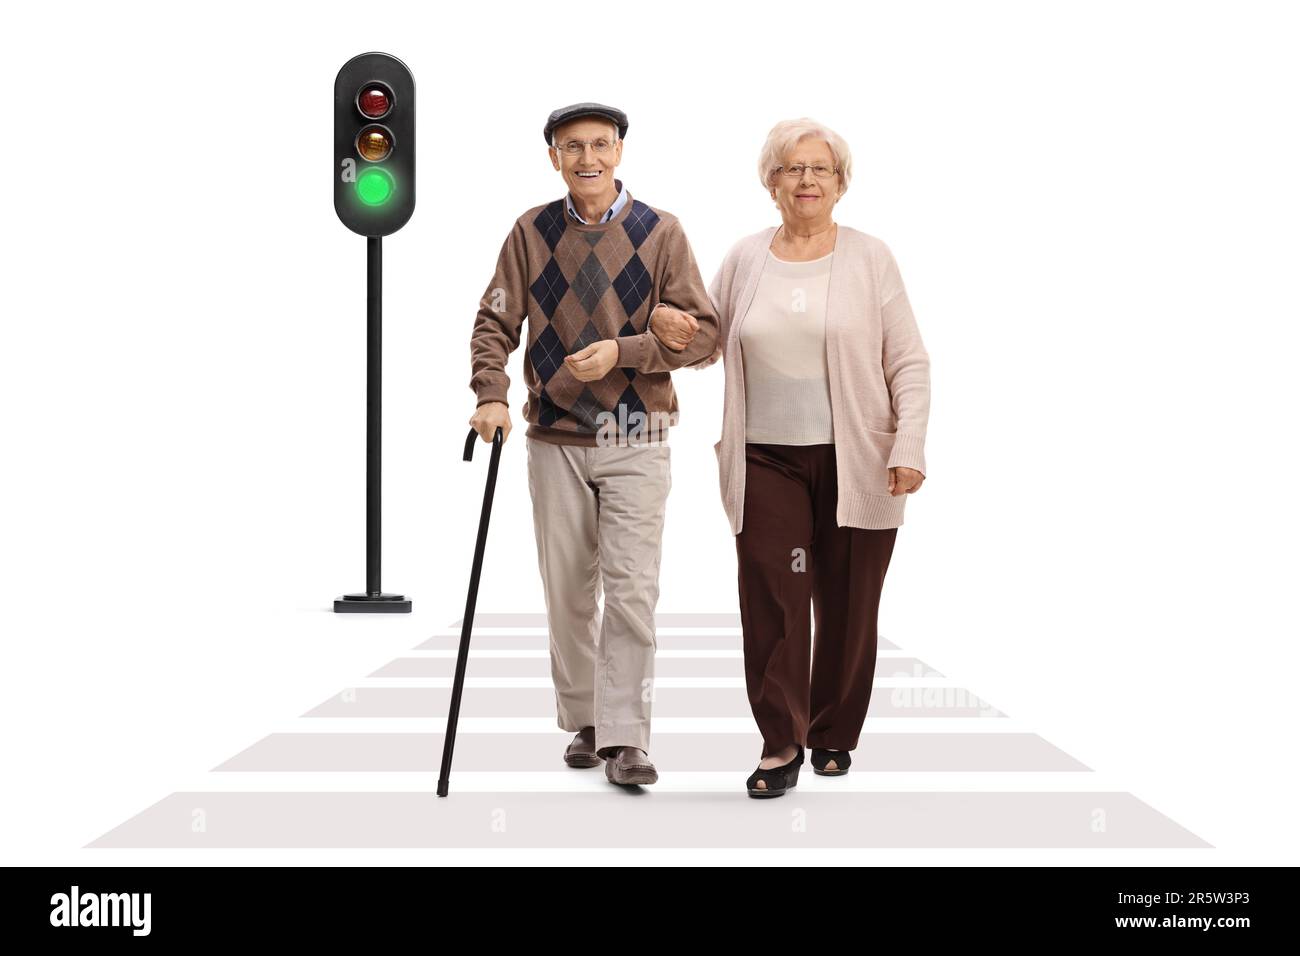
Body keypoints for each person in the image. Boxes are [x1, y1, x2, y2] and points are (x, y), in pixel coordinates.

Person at [651, 117, 931, 797]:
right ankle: (781, 741)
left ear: (840, 183)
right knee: (775, 596)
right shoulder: (747, 256)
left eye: (820, 169)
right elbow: (706, 342)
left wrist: (909, 444)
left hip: (858, 459)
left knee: (846, 601)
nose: (807, 180)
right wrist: (673, 330)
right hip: (765, 458)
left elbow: (909, 361)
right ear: (770, 182)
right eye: (792, 168)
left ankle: (832, 732)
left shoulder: (870, 257)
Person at [468, 102, 720, 786]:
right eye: (572, 147)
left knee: (632, 589)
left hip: (635, 428)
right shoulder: (530, 230)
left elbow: (704, 337)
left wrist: (624, 352)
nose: (588, 159)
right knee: (568, 592)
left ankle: (627, 738)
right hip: (555, 434)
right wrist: (490, 392)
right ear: (554, 157)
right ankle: (585, 720)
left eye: (600, 145)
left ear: (620, 151)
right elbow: (494, 322)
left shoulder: (661, 232)